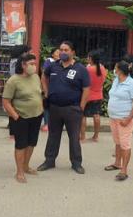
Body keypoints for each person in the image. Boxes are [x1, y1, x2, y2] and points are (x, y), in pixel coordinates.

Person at [38, 41, 90, 174]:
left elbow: (86, 88)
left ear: (73, 52)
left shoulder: (81, 69)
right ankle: (49, 161)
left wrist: (81, 107)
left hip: (72, 109)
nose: (63, 52)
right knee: (53, 136)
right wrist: (46, 91)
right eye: (61, 49)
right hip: (54, 108)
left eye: (66, 50)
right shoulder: (53, 66)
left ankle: (76, 163)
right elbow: (44, 76)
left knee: (74, 138)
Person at [2, 53, 43, 183]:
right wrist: (15, 116)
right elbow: (6, 102)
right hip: (21, 117)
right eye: (31, 64)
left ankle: (26, 166)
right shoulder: (13, 80)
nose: (34, 66)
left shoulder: (36, 77)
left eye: (35, 64)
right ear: (23, 65)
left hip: (36, 116)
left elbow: (38, 93)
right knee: (21, 145)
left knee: (31, 143)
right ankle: (19, 171)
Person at [104, 60, 133, 181]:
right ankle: (117, 163)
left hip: (125, 118)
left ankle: (124, 170)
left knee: (125, 144)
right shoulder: (116, 80)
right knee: (117, 141)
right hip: (114, 117)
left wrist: (128, 119)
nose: (113, 70)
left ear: (119, 70)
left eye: (115, 67)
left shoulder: (132, 84)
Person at [80, 50, 106, 142]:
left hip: (87, 95)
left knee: (83, 116)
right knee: (96, 115)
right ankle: (96, 136)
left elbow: (83, 81)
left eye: (88, 57)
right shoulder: (102, 68)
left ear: (91, 58)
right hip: (98, 95)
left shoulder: (88, 69)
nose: (87, 59)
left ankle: (82, 137)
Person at [41, 48, 60, 132]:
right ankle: (46, 124)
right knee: (47, 107)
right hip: (49, 88)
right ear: (52, 54)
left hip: (57, 89)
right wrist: (45, 90)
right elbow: (44, 74)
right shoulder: (49, 61)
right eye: (57, 52)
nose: (59, 53)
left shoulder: (61, 62)